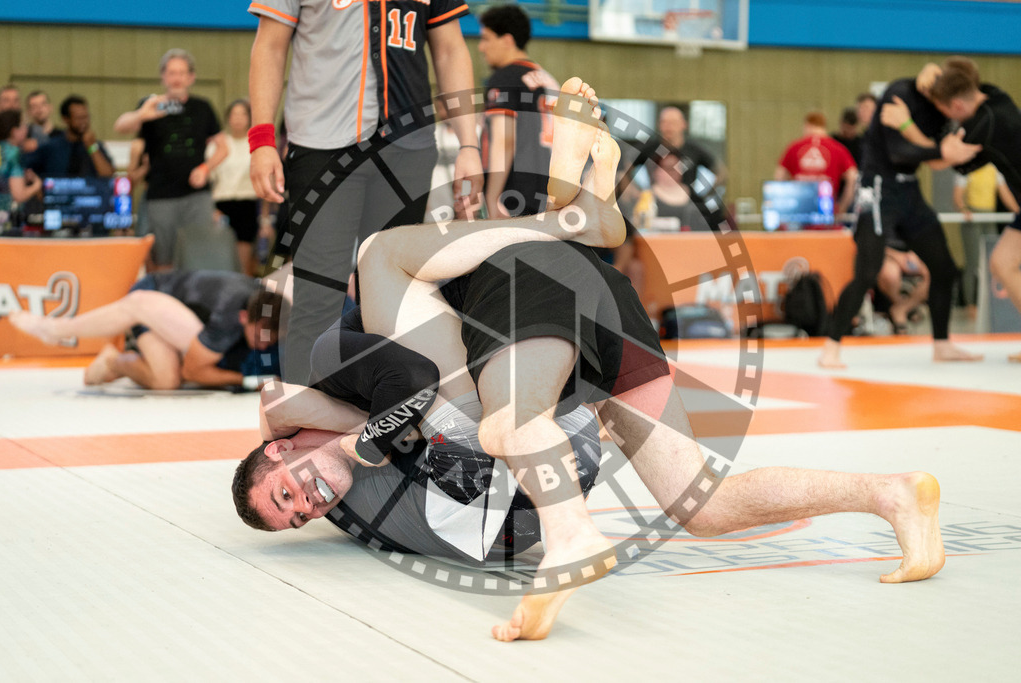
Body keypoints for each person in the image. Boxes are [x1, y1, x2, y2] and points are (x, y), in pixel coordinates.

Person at [233, 78, 945, 643]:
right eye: (298, 516)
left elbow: (311, 403)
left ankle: (572, 533)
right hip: (598, 314)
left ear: (284, 446)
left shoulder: (340, 369)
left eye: (289, 491)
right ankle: (891, 495)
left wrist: (316, 418)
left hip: (528, 294)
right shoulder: (362, 467)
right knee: (702, 504)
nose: (309, 505)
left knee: (499, 419)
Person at [246, 0, 483, 386]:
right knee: (318, 291)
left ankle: (383, 422)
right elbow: (270, 45)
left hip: (408, 147)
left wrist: (469, 144)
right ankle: (303, 430)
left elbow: (449, 48)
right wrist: (262, 140)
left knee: (392, 295)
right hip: (322, 147)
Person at [818, 68, 984, 369]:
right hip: (878, 186)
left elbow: (934, 161)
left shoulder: (941, 113)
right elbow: (899, 151)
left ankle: (942, 343)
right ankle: (832, 345)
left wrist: (943, 150)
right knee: (867, 270)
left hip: (909, 189)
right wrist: (940, 149)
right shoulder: (900, 93)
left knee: (944, 268)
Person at [9, 270, 282, 390]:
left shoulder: (267, 305)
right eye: (259, 337)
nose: (262, 345)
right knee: (174, 375)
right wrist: (245, 381)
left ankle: (114, 360)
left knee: (167, 381)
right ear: (244, 317)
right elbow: (193, 371)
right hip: (152, 293)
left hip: (177, 314)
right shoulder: (228, 315)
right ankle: (57, 329)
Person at [916, 57, 1021, 362]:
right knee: (1002, 262)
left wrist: (906, 128)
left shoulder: (983, 126)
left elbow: (938, 160)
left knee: (1003, 262)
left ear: (958, 107)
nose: (946, 117)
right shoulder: (993, 94)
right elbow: (961, 77)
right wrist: (933, 71)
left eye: (945, 111)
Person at [114, 49, 229, 271]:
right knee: (163, 259)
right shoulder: (151, 106)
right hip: (161, 195)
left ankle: (196, 303)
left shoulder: (202, 107)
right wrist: (141, 115)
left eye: (181, 73)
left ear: (191, 77)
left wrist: (205, 168)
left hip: (197, 196)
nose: (176, 78)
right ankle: (166, 303)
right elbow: (120, 126)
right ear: (163, 77)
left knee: (199, 255)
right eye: (172, 73)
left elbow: (223, 148)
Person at [478, 4, 557, 217]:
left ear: (507, 40)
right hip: (551, 195)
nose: (481, 47)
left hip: (516, 195)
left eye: (486, 38)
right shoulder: (549, 79)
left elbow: (504, 140)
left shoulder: (506, 77)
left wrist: (492, 198)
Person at [953, 164, 1019, 317]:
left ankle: (991, 304)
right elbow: (957, 196)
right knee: (973, 262)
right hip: (973, 217)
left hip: (990, 216)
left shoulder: (994, 170)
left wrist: (1017, 211)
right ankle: (971, 303)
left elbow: (1005, 194)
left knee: (994, 261)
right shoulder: (966, 170)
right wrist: (963, 209)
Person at [209, 99, 262, 276]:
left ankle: (244, 298)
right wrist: (211, 208)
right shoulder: (218, 143)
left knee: (244, 262)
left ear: (249, 118)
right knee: (220, 258)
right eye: (234, 114)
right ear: (228, 118)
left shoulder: (257, 144)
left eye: (243, 114)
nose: (238, 119)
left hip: (247, 203)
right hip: (221, 205)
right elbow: (208, 179)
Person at [774, 111, 858, 220]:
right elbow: (853, 177)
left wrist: (786, 206)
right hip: (827, 212)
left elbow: (779, 177)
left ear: (807, 126)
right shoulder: (838, 149)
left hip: (799, 214)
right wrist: (842, 207)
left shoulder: (794, 147)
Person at [27, 95, 114, 178]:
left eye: (86, 117)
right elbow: (27, 166)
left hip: (89, 192)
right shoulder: (52, 147)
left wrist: (92, 147)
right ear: (66, 119)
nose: (83, 122)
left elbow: (107, 175)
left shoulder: (94, 146)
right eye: (79, 118)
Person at [0, 109, 42, 226]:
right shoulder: (15, 154)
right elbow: (19, 195)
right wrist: (37, 184)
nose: (26, 129)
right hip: (4, 221)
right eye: (23, 125)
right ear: (14, 131)